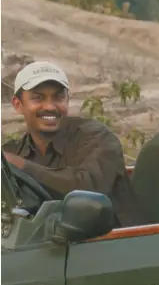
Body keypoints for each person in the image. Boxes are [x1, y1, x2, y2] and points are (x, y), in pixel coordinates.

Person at [2, 61, 142, 227]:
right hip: (45, 244)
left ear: (67, 100)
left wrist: (21, 166)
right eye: (37, 98)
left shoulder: (96, 137)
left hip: (115, 242)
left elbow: (88, 188)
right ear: (18, 105)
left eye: (58, 97)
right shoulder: (13, 150)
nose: (49, 106)